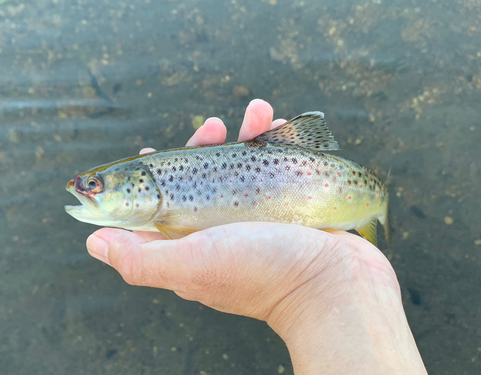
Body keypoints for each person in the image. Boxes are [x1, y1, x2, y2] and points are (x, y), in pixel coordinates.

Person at [86, 99, 428, 374]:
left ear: (139, 184)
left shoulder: (167, 217)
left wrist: (315, 287)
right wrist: (319, 285)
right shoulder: (163, 212)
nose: (86, 191)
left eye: (95, 186)